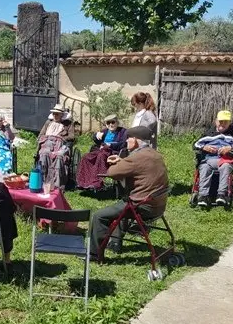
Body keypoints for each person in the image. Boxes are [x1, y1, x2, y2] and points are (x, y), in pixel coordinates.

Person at [89, 126, 169, 255]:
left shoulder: (136, 158)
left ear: (135, 140)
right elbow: (140, 166)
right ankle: (115, 242)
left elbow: (112, 173)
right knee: (123, 206)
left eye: (128, 139)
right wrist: (122, 161)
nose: (126, 142)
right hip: (158, 205)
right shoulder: (155, 154)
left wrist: (115, 163)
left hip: (142, 206)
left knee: (99, 216)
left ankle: (94, 254)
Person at [194, 110, 233, 207]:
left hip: (226, 160)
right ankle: (203, 196)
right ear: (216, 121)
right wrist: (204, 147)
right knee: (204, 167)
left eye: (225, 122)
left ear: (229, 122)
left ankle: (221, 195)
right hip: (209, 159)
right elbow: (196, 144)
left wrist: (230, 148)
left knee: (225, 167)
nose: (223, 124)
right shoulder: (209, 133)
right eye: (220, 121)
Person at [76, 114, 128, 190]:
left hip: (113, 153)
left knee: (101, 155)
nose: (110, 124)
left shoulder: (123, 132)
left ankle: (96, 182)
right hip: (100, 150)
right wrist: (96, 135)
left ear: (117, 123)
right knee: (86, 157)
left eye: (113, 122)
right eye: (108, 123)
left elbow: (123, 144)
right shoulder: (105, 131)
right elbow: (95, 139)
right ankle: (83, 182)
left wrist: (110, 145)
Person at [37, 104, 75, 189]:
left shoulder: (68, 124)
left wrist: (60, 137)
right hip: (47, 143)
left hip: (61, 144)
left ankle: (57, 183)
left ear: (62, 115)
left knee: (59, 156)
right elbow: (41, 135)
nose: (55, 115)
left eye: (57, 114)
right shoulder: (48, 122)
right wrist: (47, 138)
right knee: (44, 154)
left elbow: (72, 136)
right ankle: (44, 180)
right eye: (54, 113)